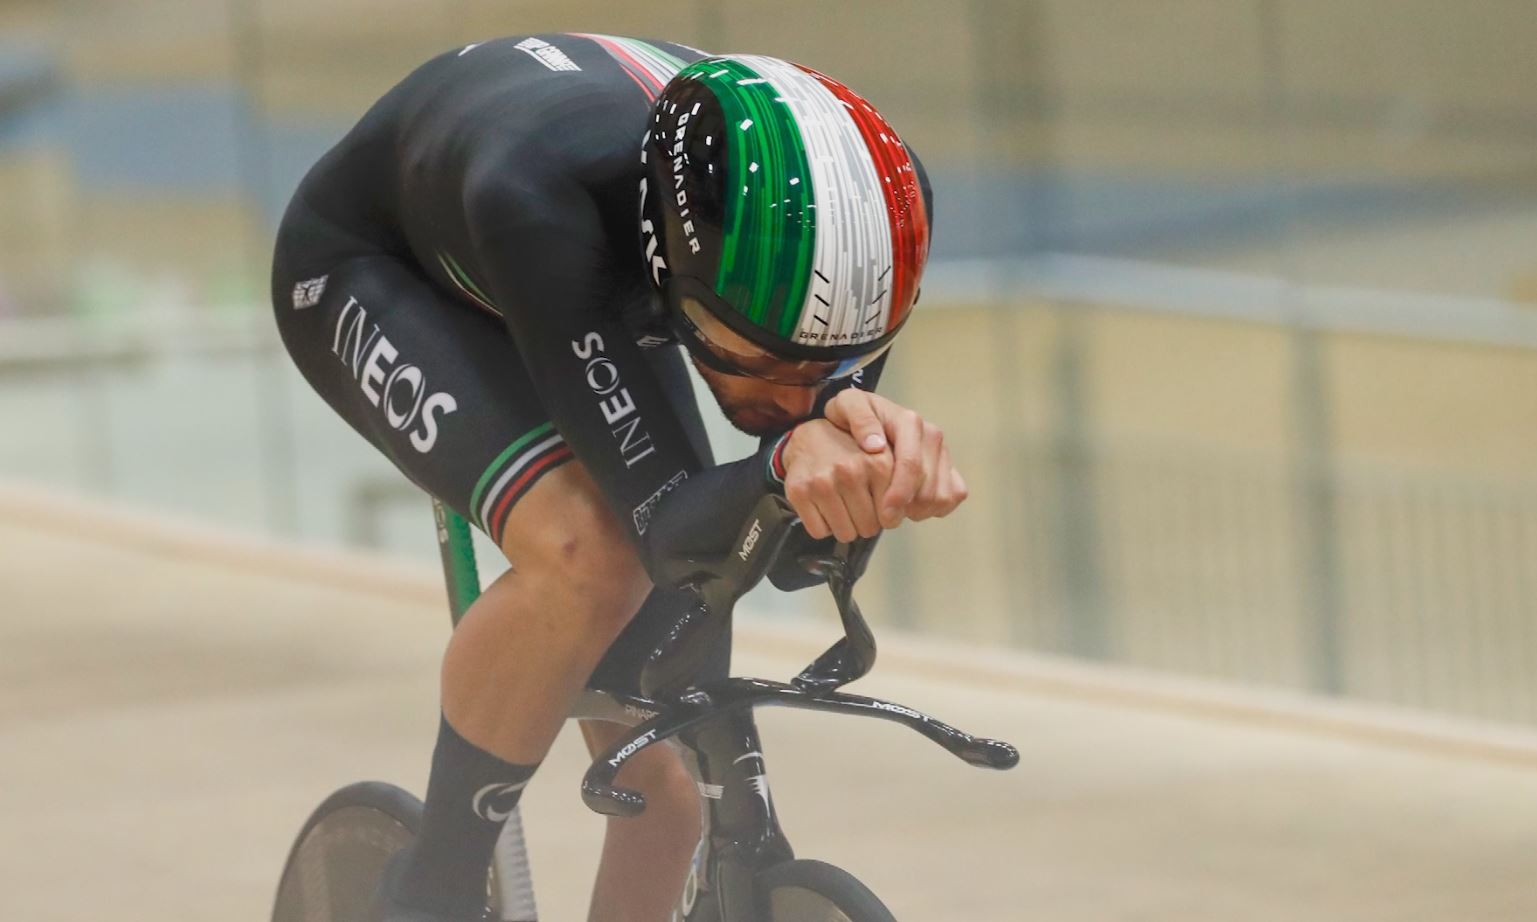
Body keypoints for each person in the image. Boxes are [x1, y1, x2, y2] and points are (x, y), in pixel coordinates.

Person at [270, 32, 966, 922]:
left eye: (828, 366)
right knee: (590, 556)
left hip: (584, 271)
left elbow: (775, 552)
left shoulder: (873, 216)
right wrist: (792, 460)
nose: (794, 394)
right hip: (381, 266)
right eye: (756, 357)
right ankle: (431, 888)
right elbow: (668, 524)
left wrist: (865, 471)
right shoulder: (538, 200)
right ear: (671, 271)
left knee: (662, 790)